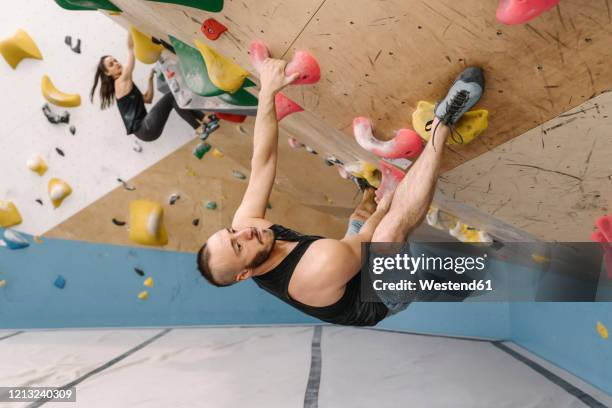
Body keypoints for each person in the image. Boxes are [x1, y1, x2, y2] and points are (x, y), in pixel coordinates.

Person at [196, 57, 485, 326]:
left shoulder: (247, 229)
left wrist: (267, 93)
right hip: (380, 298)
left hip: (346, 263)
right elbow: (368, 237)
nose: (243, 233)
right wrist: (386, 196)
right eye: (237, 246)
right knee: (388, 234)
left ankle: (451, 286)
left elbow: (262, 161)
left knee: (363, 213)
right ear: (245, 273)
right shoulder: (316, 269)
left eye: (230, 232)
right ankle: (444, 121)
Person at [90, 33, 212, 142]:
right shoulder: (120, 82)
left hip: (146, 130)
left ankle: (206, 120)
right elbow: (131, 49)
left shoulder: (124, 86)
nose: (116, 63)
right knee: (172, 97)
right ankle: (199, 128)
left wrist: (149, 80)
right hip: (145, 128)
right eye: (111, 64)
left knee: (174, 99)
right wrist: (131, 29)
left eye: (115, 60)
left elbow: (148, 99)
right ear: (107, 73)